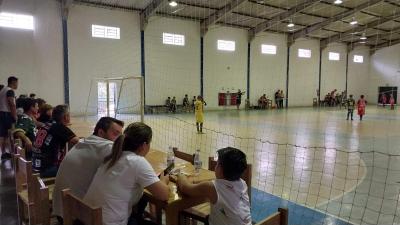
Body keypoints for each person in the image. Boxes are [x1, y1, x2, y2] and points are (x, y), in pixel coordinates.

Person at [83, 122, 169, 225]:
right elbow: (164, 195)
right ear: (144, 145)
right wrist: (163, 181)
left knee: (140, 204)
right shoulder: (137, 162)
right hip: (107, 222)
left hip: (85, 218)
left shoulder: (113, 157)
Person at [52, 117, 124, 221]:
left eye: (120, 135)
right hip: (78, 217)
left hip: (62, 211)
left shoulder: (84, 142)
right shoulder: (108, 147)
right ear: (101, 132)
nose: (119, 139)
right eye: (115, 134)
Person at [177, 147, 251, 225]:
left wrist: (180, 175)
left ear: (220, 169)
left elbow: (185, 188)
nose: (215, 166)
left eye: (217, 163)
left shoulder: (212, 187)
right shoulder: (243, 184)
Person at [32, 105, 79, 177]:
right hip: (47, 170)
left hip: (35, 166)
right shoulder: (59, 127)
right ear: (66, 117)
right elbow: (77, 141)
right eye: (69, 115)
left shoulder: (47, 124)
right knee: (77, 167)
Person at [0, 76, 18, 160]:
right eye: (17, 83)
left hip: (1, 113)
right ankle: (12, 152)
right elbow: (12, 104)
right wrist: (15, 116)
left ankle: (4, 153)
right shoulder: (10, 91)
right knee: (10, 134)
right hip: (7, 114)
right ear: (13, 82)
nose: (17, 85)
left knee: (3, 135)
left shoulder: (3, 90)